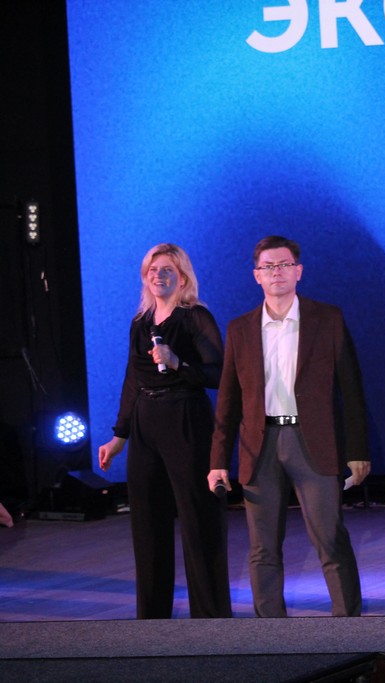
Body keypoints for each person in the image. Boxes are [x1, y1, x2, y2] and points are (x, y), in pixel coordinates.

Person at [208, 235, 370, 617]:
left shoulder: (326, 319)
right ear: (256, 276)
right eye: (268, 267)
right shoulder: (240, 329)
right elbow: (228, 401)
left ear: (299, 271)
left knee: (329, 539)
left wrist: (358, 451)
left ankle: (350, 628)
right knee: (262, 548)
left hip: (312, 441)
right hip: (259, 445)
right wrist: (218, 461)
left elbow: (351, 390)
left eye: (283, 265)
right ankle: (272, 635)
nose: (276, 272)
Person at [98, 243, 232, 619]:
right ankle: (152, 621)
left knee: (198, 520)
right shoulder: (140, 322)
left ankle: (211, 620)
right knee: (147, 524)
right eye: (153, 270)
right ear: (145, 278)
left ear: (183, 278)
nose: (159, 275)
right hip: (146, 422)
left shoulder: (195, 317)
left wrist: (177, 364)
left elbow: (218, 374)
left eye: (167, 269)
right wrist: (119, 436)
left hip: (186, 419)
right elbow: (132, 379)